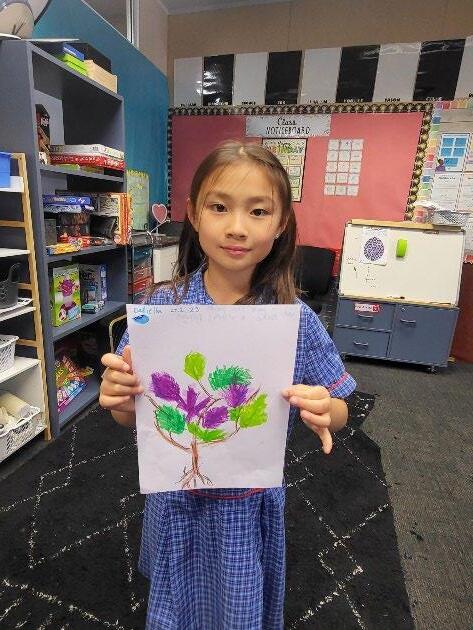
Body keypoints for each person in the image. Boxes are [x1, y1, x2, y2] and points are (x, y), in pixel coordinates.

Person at [99, 141, 356, 629]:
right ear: (194, 214)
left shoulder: (294, 319)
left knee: (237, 603)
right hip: (177, 498)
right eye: (219, 207)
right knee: (177, 601)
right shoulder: (161, 309)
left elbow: (340, 405)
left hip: (247, 503)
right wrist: (119, 399)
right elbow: (130, 414)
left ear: (280, 224)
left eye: (258, 211)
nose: (237, 227)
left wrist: (327, 410)